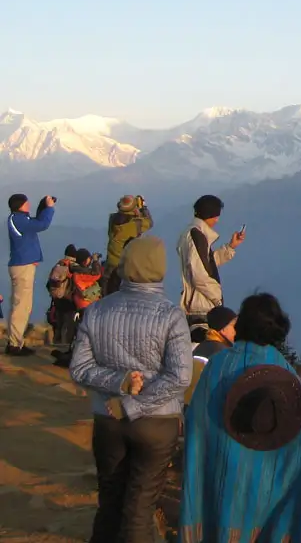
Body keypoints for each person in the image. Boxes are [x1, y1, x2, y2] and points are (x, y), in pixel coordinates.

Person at [179, 293, 301, 543]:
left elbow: (196, 433)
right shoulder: (286, 375)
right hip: (276, 503)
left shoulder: (216, 368)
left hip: (220, 499)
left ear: (241, 326)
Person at [70, 235, 192, 543]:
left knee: (110, 502)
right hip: (156, 422)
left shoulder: (96, 311)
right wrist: (134, 405)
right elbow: (179, 378)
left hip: (108, 419)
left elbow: (79, 369)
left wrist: (119, 384)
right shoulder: (170, 315)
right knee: (139, 507)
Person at [177, 194, 245, 327]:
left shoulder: (191, 233)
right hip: (201, 307)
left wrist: (230, 247)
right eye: (216, 216)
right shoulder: (196, 235)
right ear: (210, 215)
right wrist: (217, 298)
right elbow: (199, 275)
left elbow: (206, 263)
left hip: (197, 307)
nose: (217, 220)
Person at [7, 193, 56, 356]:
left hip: (22, 266)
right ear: (21, 205)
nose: (29, 205)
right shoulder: (19, 220)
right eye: (27, 203)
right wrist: (49, 209)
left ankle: (16, 341)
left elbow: (35, 223)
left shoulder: (19, 219)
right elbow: (42, 225)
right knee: (21, 306)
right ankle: (14, 344)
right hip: (22, 267)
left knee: (22, 305)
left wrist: (43, 207)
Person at [184, 305, 237, 408]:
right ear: (223, 329)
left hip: (189, 409)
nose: (236, 330)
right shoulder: (222, 354)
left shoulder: (200, 348)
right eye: (233, 326)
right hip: (207, 412)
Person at [104, 194, 153, 296]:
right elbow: (149, 222)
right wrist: (143, 208)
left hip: (111, 265)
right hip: (125, 267)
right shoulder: (135, 224)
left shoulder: (112, 220)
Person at [46, 244, 80, 345]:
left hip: (57, 302)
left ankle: (56, 344)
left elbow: (48, 284)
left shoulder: (58, 265)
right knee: (68, 326)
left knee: (58, 325)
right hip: (69, 301)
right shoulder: (74, 267)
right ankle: (65, 345)